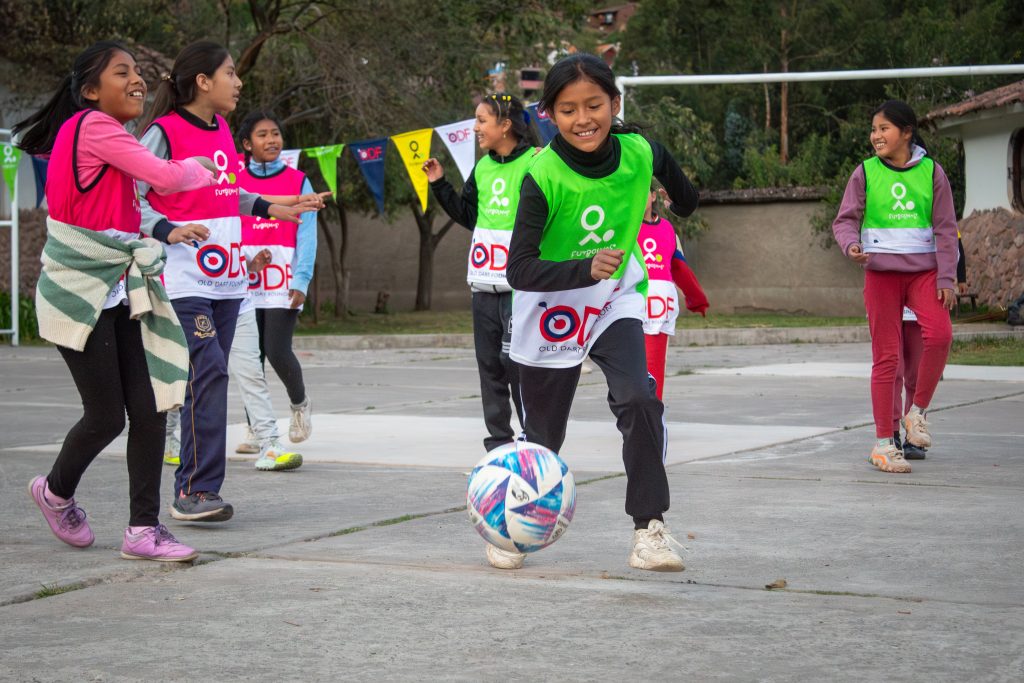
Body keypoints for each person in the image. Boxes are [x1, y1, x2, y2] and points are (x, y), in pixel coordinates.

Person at [15, 41, 215, 561]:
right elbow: (168, 176)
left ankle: (142, 531)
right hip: (79, 291)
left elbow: (130, 216)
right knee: (106, 415)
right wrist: (206, 168)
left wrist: (165, 230)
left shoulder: (109, 139)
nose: (137, 80)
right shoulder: (92, 126)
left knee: (148, 410)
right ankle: (55, 492)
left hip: (120, 286)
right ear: (89, 90)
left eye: (138, 72)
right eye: (121, 71)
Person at [505, 53, 699, 572]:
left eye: (595, 104)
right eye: (568, 109)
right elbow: (517, 270)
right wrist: (582, 269)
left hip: (614, 297)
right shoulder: (540, 175)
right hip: (550, 306)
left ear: (615, 103)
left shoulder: (640, 151)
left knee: (639, 397)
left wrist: (666, 185)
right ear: (549, 114)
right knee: (544, 438)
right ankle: (512, 526)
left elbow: (688, 200)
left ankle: (649, 529)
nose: (583, 118)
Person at [136, 41, 315, 521]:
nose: (238, 83)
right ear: (202, 81)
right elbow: (132, 195)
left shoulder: (219, 131)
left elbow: (228, 194)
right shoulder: (164, 133)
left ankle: (199, 490)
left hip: (229, 283)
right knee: (209, 371)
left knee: (208, 381)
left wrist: (277, 207)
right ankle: (193, 491)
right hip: (184, 279)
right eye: (231, 74)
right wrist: (166, 229)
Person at [832, 100, 956, 474]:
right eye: (873, 129)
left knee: (940, 335)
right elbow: (845, 220)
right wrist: (851, 245)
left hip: (923, 273)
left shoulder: (933, 172)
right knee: (886, 360)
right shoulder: (865, 172)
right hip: (880, 274)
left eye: (883, 128)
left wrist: (947, 276)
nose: (875, 136)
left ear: (906, 132)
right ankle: (884, 445)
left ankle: (915, 414)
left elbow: (946, 229)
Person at [422, 94, 536, 452]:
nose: (475, 128)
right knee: (490, 366)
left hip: (521, 287)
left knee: (515, 363)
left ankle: (534, 440)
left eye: (482, 120)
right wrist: (440, 183)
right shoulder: (484, 167)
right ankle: (498, 445)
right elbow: (469, 215)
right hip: (483, 285)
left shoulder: (537, 162)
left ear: (506, 124)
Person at [893, 236, 967, 460]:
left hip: (921, 301)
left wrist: (952, 280)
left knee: (914, 375)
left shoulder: (936, 211)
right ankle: (891, 432)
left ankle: (914, 435)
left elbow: (955, 247)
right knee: (892, 372)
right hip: (891, 298)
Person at [639, 186, 709, 400]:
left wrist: (696, 298)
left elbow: (680, 268)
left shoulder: (668, 230)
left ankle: (653, 417)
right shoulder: (624, 228)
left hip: (660, 306)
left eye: (642, 192)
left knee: (654, 365)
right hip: (632, 302)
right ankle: (634, 416)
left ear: (652, 196)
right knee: (631, 367)